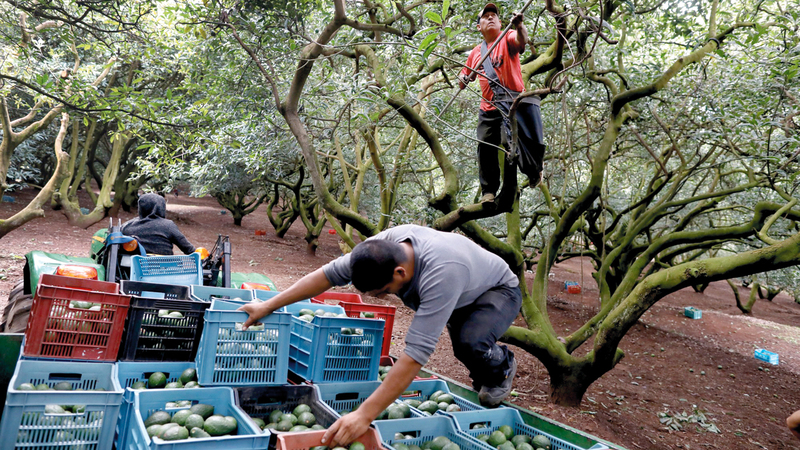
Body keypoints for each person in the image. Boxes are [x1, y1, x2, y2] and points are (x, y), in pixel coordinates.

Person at [239, 224, 522, 446]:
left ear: (400, 272)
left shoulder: (442, 273)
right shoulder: (379, 250)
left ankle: (503, 366)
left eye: (385, 291)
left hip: (497, 291)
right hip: (461, 293)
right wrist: (267, 305)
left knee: (471, 343)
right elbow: (325, 276)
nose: (385, 296)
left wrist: (364, 415)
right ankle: (484, 363)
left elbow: (415, 355)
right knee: (465, 343)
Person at [459, 3, 545, 203]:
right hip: (488, 108)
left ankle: (532, 172)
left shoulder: (507, 38)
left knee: (512, 143)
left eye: (493, 16)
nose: (490, 18)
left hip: (512, 103)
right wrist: (463, 79)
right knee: (485, 146)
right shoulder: (475, 53)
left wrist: (520, 25)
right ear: (479, 26)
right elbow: (464, 80)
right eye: (485, 16)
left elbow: (521, 41)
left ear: (500, 22)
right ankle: (488, 191)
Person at [121, 192, 195, 255]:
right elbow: (188, 249)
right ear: (161, 208)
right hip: (164, 269)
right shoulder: (168, 226)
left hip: (132, 269)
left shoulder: (127, 226)